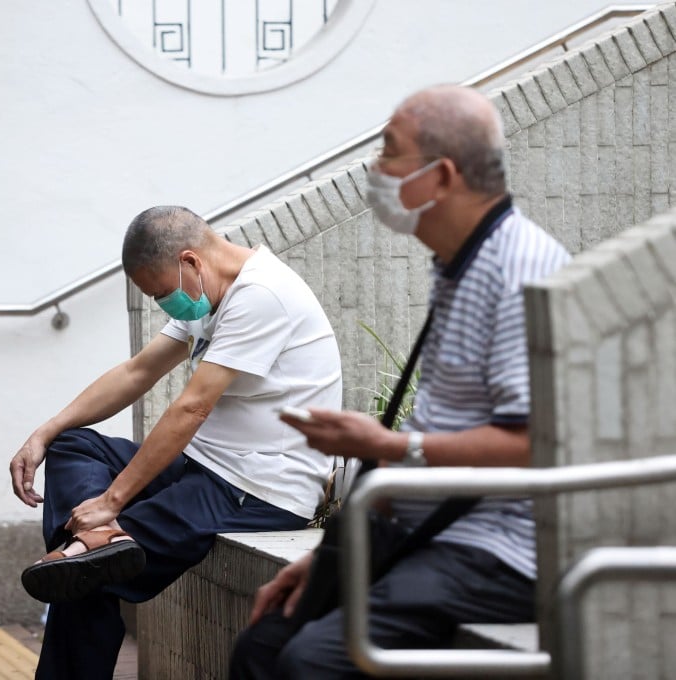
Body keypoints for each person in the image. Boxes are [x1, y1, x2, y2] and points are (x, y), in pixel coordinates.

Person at [228, 84, 573, 679]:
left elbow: (531, 442)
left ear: (439, 176)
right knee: (261, 645)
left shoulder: (520, 269)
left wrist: (387, 445)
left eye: (389, 152)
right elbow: (445, 420)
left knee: (310, 664)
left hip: (494, 549)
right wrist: (336, 558)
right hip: (425, 529)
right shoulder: (457, 265)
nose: (374, 169)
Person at [9, 205, 343, 679]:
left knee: (86, 579)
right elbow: (136, 371)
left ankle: (84, 550)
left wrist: (112, 501)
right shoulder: (210, 290)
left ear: (190, 262)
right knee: (73, 443)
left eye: (161, 293)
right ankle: (84, 546)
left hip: (258, 487)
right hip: (205, 469)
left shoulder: (262, 295)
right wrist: (44, 432)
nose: (164, 304)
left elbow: (192, 407)